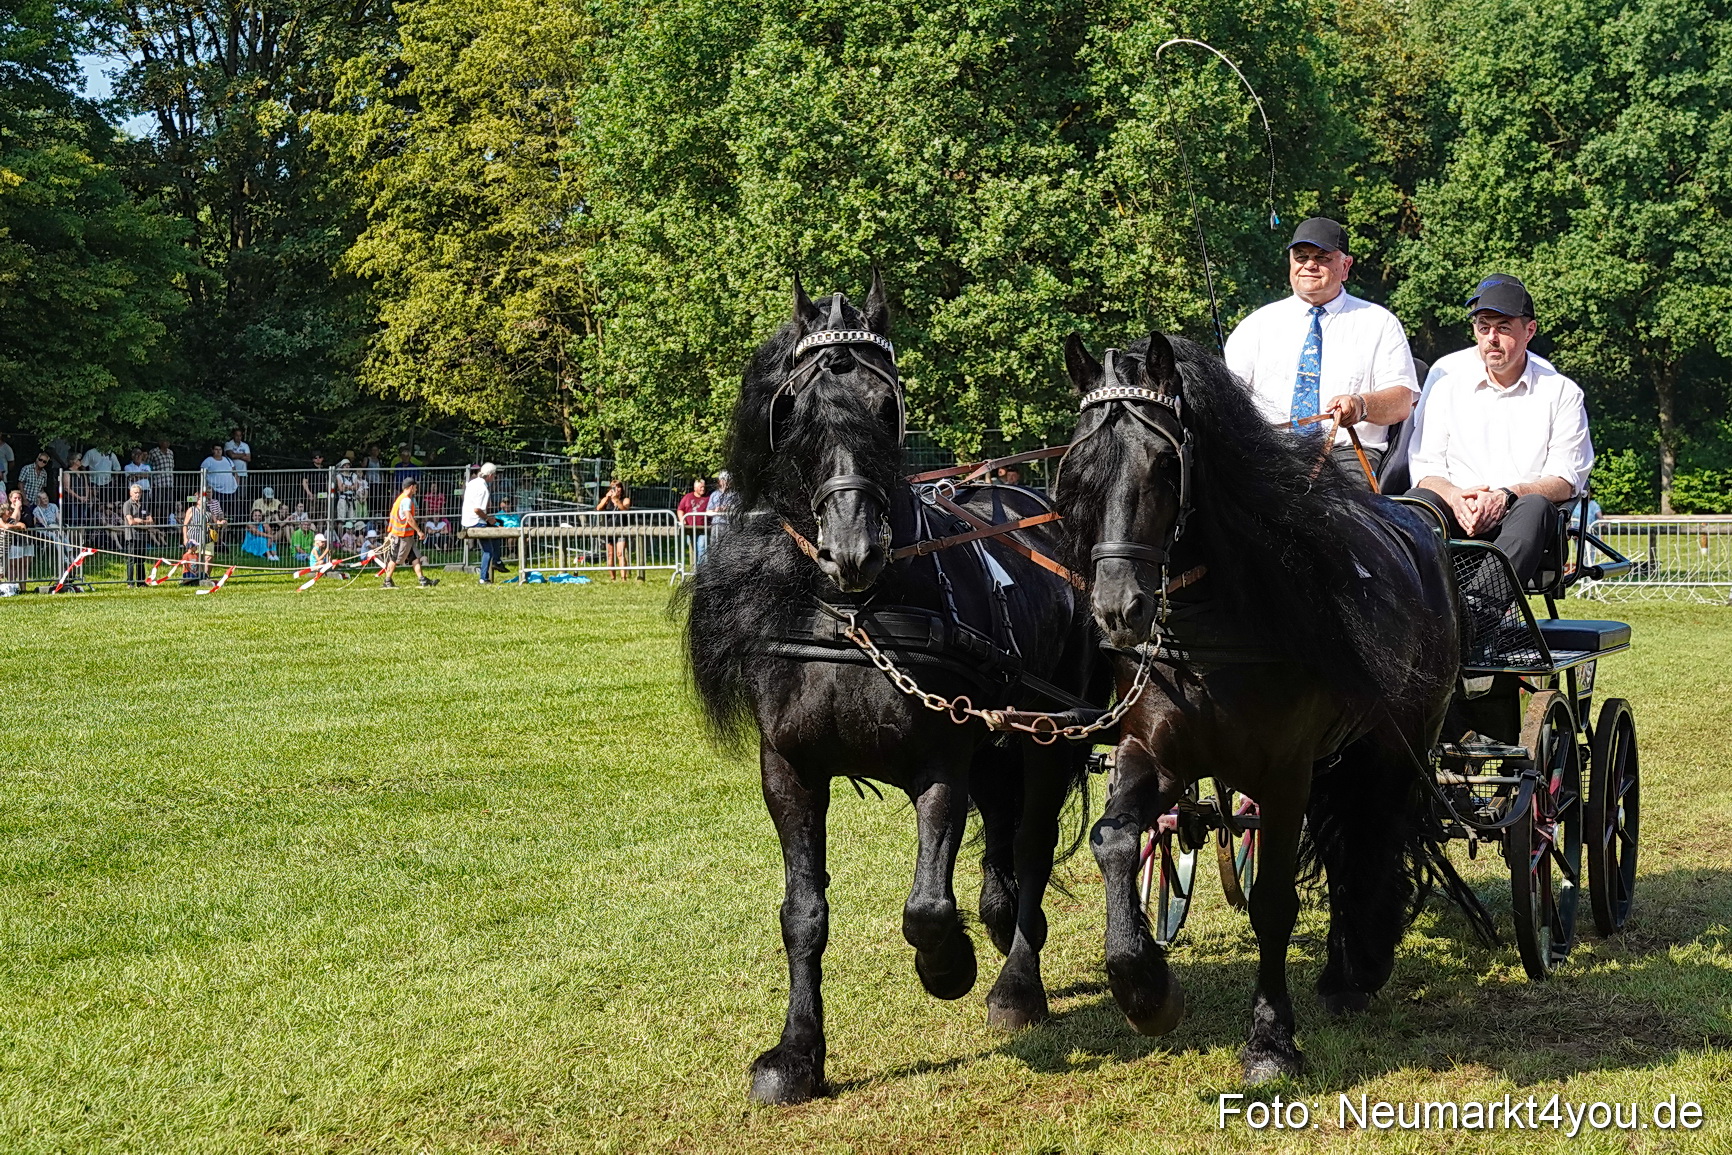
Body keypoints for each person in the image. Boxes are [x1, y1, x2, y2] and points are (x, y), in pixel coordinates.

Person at [1404, 276, 1594, 587]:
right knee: (1417, 503)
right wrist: (1454, 497)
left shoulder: (1561, 393)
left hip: (1521, 520)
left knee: (1535, 506)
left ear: (1529, 331)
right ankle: (1418, 604)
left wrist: (1506, 496)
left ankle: (1477, 610)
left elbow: (1565, 479)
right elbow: (1426, 468)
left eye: (1503, 328)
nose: (1491, 338)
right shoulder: (1446, 388)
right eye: (1483, 327)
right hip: (1456, 513)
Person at [1224, 216, 1419, 488]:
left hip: (1346, 455)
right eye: (1301, 257)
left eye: (1322, 257)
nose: (1309, 265)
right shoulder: (1255, 325)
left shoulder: (1379, 323)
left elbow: (1401, 402)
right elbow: (1226, 400)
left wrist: (1360, 405)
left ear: (1345, 266)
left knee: (1335, 510)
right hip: (1268, 452)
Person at [378, 477, 438, 588]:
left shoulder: (400, 498)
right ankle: (387, 581)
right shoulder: (406, 500)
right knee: (394, 558)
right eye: (415, 487)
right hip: (401, 536)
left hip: (406, 535)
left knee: (414, 557)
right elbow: (409, 518)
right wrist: (419, 531)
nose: (416, 489)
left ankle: (422, 579)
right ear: (411, 487)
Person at [462, 462, 503, 583]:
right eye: (494, 475)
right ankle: (484, 576)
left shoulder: (472, 482)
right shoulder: (483, 489)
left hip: (466, 519)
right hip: (476, 521)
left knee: (497, 527)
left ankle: (497, 561)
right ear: (490, 475)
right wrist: (488, 519)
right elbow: (477, 510)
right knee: (488, 550)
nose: (494, 478)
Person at [595, 479, 632, 580]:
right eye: (614, 487)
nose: (617, 489)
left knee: (620, 553)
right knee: (610, 554)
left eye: (619, 487)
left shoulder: (625, 500)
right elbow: (598, 508)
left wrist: (616, 500)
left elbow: (625, 509)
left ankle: (623, 578)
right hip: (609, 530)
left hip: (621, 529)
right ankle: (613, 578)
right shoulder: (606, 499)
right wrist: (607, 498)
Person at [122, 483, 152, 585]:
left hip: (142, 536)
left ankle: (141, 582)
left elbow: (151, 521)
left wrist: (141, 521)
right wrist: (143, 523)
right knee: (131, 560)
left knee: (141, 560)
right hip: (131, 536)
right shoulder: (127, 504)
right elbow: (130, 521)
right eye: (135, 492)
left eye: (139, 492)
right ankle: (130, 583)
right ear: (130, 493)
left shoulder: (144, 505)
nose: (137, 494)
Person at [2, 490, 31, 585]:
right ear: (10, 499)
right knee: (12, 566)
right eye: (15, 498)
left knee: (24, 565)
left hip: (27, 540)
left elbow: (28, 522)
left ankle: (23, 588)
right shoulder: (8, 510)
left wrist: (20, 524)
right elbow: (11, 522)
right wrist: (17, 508)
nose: (18, 500)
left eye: (19, 498)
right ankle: (11, 586)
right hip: (12, 542)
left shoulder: (26, 509)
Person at [679, 477, 710, 564]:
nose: (703, 489)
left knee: (702, 546)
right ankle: (695, 567)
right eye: (701, 487)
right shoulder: (687, 497)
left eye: (703, 487)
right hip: (690, 529)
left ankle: (701, 568)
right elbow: (680, 509)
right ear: (695, 488)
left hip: (703, 528)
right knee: (692, 547)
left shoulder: (708, 498)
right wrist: (682, 519)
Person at [705, 470, 738, 546]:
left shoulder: (735, 495)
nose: (726, 482)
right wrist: (715, 510)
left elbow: (738, 509)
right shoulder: (714, 494)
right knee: (715, 547)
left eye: (728, 480)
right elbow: (708, 512)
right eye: (723, 480)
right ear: (720, 481)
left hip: (731, 525)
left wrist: (729, 508)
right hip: (717, 525)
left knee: (730, 547)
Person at [59, 454, 91, 525]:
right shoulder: (67, 472)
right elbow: (67, 488)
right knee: (74, 519)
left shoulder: (82, 472)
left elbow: (86, 485)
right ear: (74, 461)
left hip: (83, 500)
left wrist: (86, 497)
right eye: (79, 460)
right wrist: (79, 497)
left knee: (83, 519)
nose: (81, 461)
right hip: (72, 500)